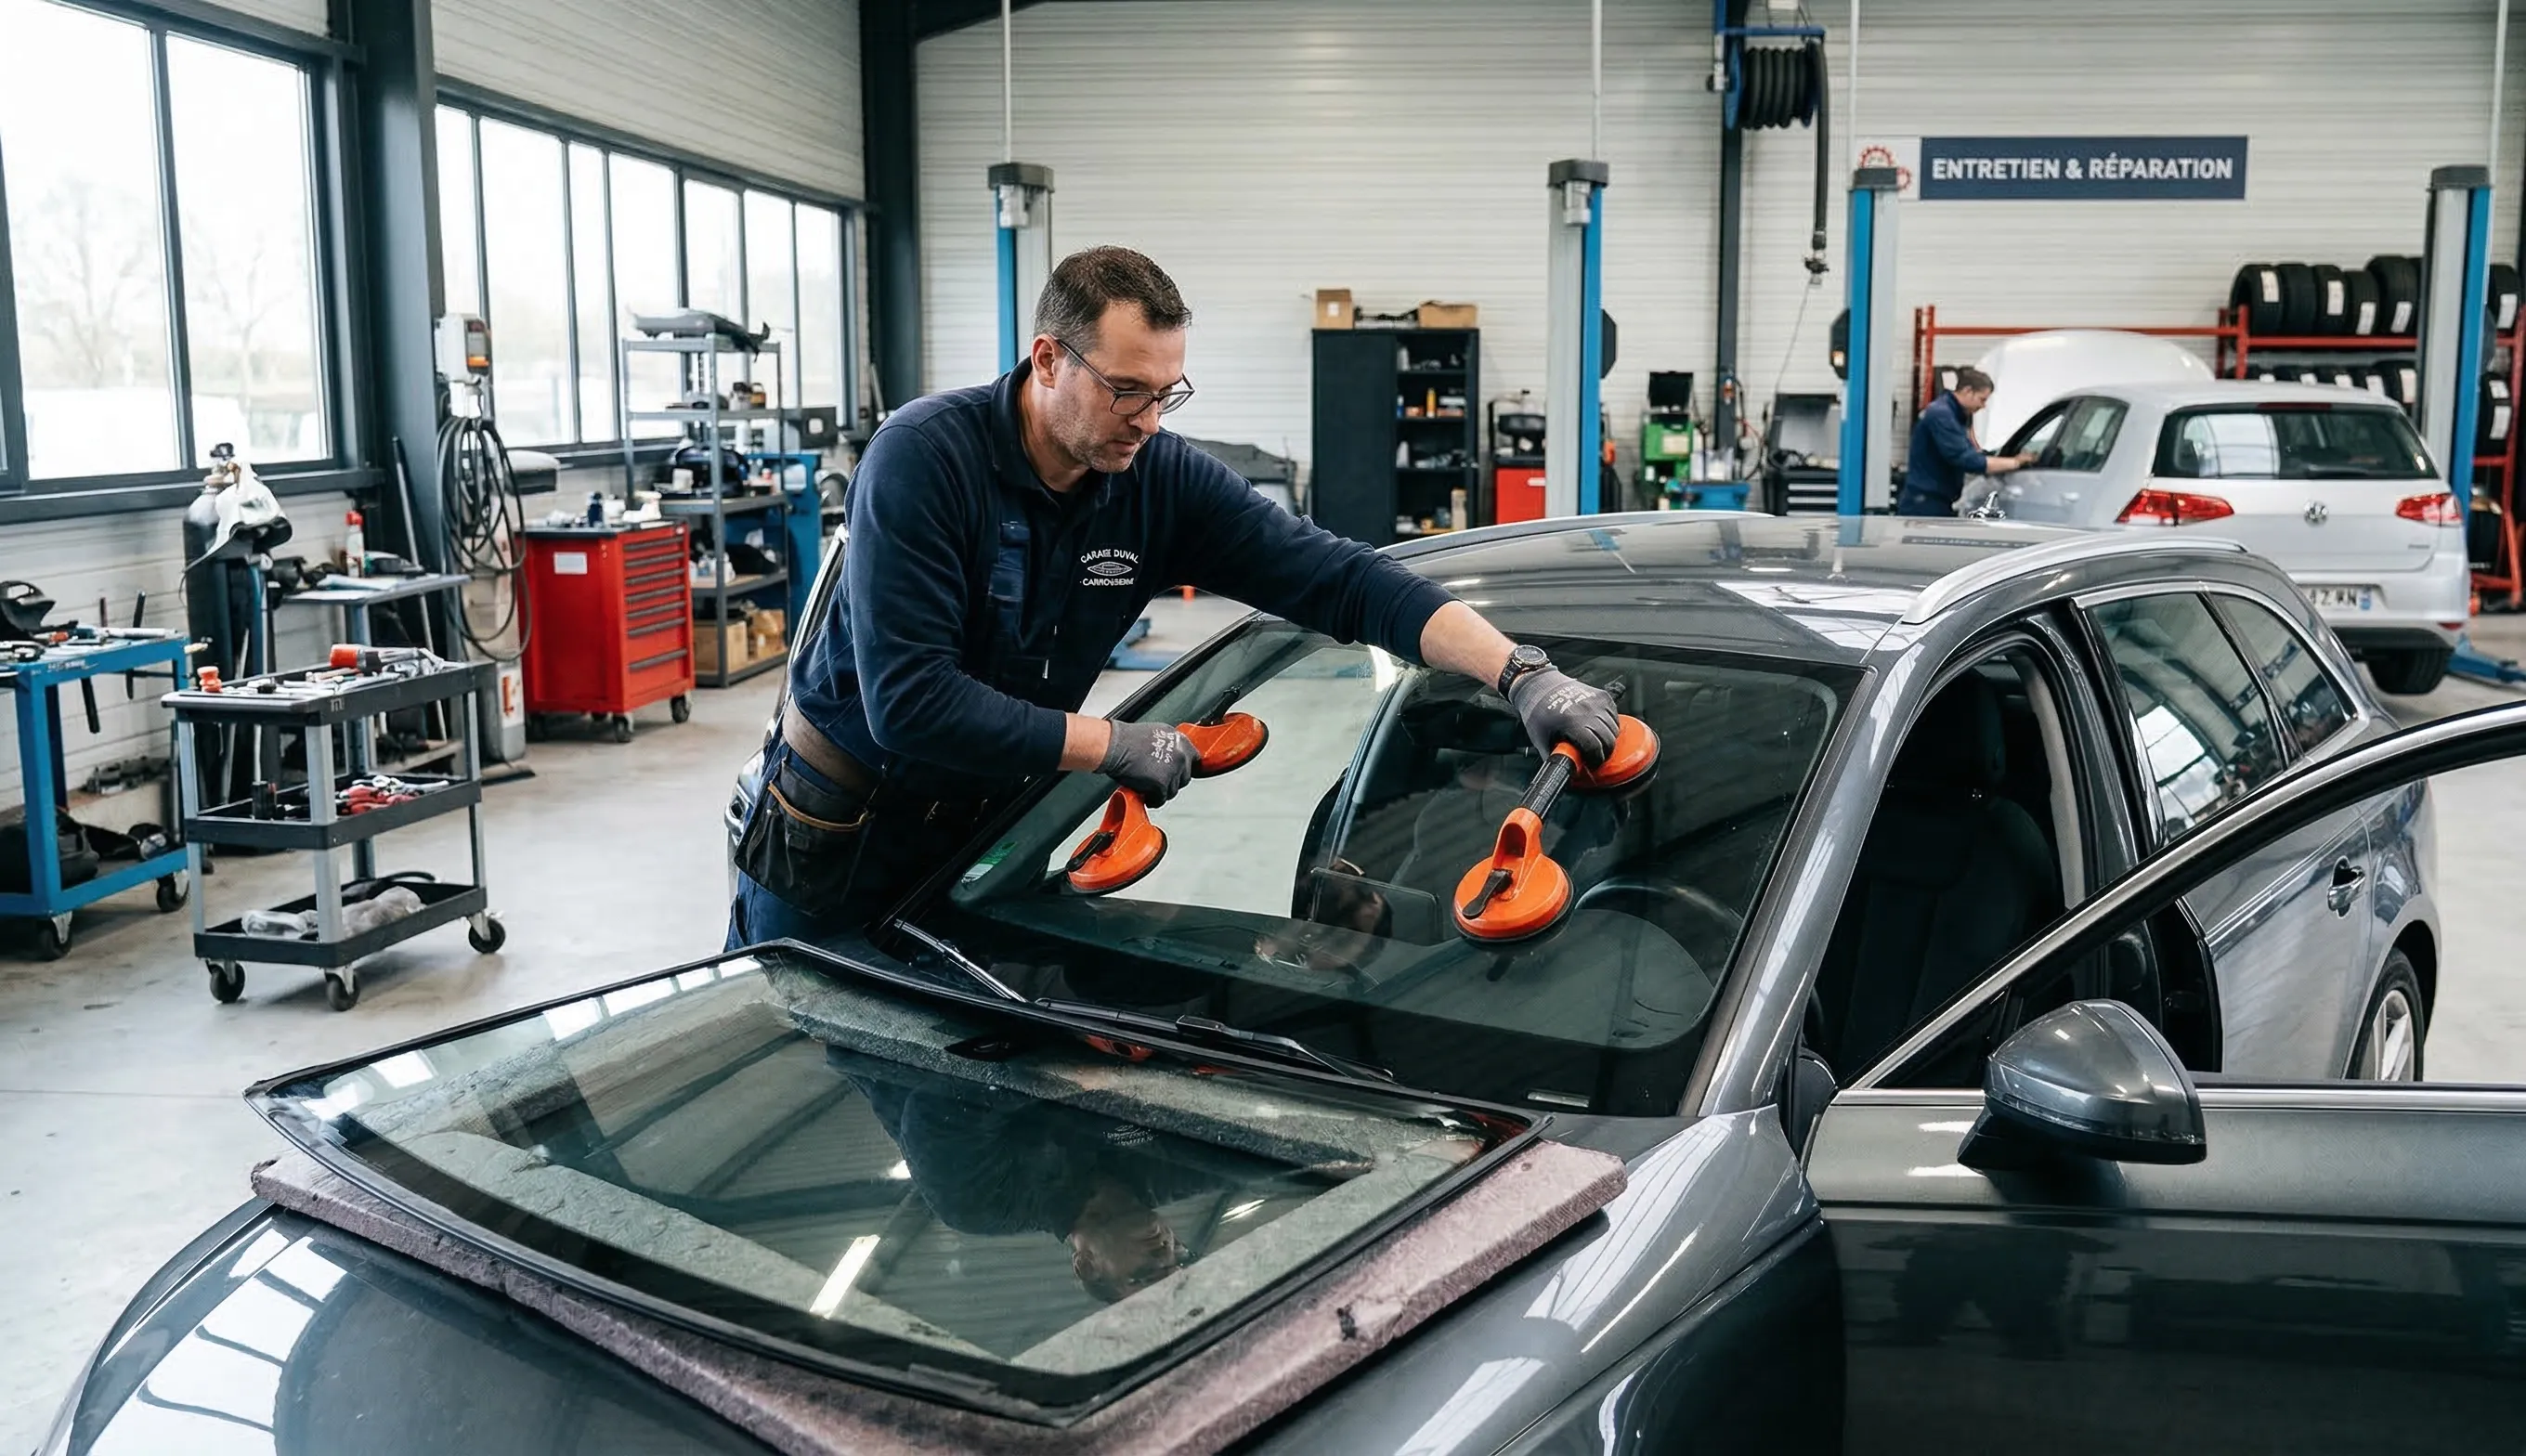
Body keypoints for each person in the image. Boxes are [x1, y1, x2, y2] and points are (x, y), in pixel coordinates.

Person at [728, 246, 1620, 949]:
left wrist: (1519, 671)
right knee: (782, 1085)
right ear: (1048, 360)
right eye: (1126, 392)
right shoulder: (924, 460)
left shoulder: (1154, 479)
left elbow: (1338, 578)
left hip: (986, 831)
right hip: (838, 834)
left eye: (1167, 394)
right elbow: (910, 703)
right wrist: (1112, 743)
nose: (1150, 422)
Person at [1897, 367, 2034, 517]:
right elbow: (1965, 459)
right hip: (1926, 504)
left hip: (1933, 500)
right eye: (1982, 399)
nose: (1983, 406)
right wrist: (2015, 463)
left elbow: (1969, 452)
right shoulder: (1942, 415)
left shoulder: (1952, 414)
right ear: (1968, 391)